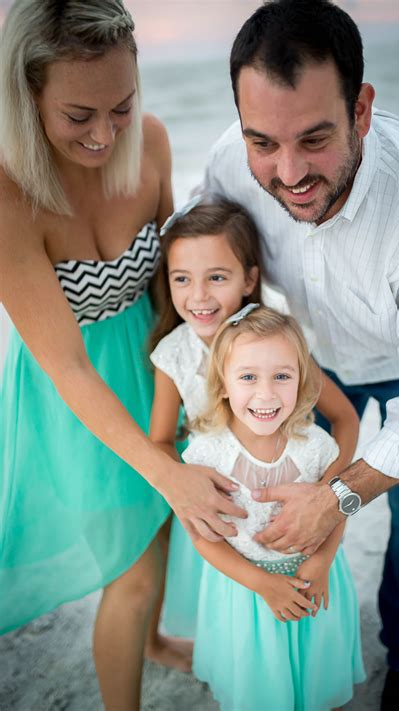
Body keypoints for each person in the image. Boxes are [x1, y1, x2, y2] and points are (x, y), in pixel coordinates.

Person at [201, 1, 399, 708]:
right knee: (280, 491)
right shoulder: (233, 159)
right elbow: (203, 253)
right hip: (306, 362)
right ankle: (299, 641)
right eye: (264, 140)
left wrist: (343, 492)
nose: (288, 172)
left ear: (361, 109)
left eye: (315, 138)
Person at [0, 1, 247, 708]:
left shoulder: (154, 143)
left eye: (123, 106)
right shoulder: (8, 196)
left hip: (158, 365)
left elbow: (173, 279)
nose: (107, 135)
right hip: (76, 395)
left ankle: (153, 643)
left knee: (163, 532)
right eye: (80, 116)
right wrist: (164, 468)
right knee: (131, 574)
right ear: (27, 95)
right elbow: (68, 366)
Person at [145, 197, 359, 654]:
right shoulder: (175, 354)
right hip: (223, 512)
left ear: (250, 279)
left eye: (216, 277)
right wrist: (184, 489)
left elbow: (344, 418)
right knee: (241, 634)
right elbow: (160, 442)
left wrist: (329, 496)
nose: (198, 296)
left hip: (289, 496)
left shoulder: (275, 341)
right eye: (182, 279)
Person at [183, 304, 365, 711]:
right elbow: (202, 537)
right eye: (248, 377)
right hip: (246, 589)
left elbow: (336, 510)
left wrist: (321, 562)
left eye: (282, 376)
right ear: (224, 385)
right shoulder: (206, 455)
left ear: (302, 383)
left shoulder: (316, 446)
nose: (266, 394)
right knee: (259, 689)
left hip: (313, 577)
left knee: (319, 678)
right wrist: (262, 584)